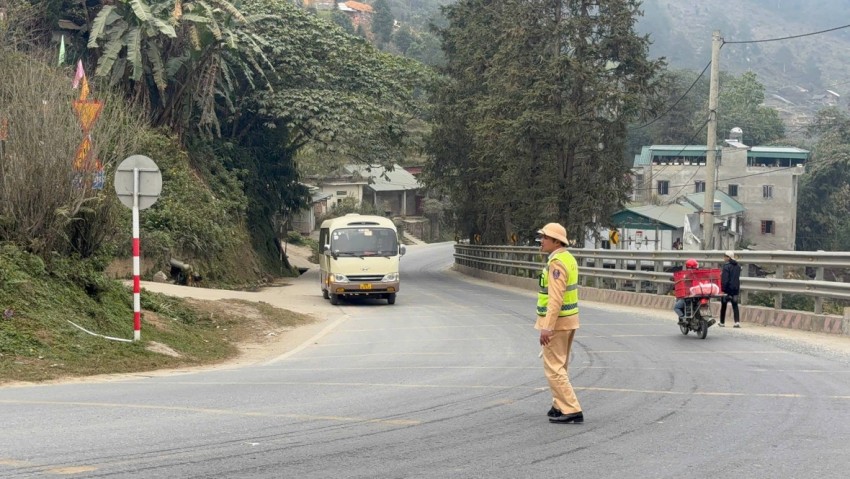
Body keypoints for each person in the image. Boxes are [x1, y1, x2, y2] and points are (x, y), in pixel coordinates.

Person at [535, 222, 583, 424]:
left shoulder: (556, 263)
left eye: (545, 237)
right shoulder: (568, 258)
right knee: (560, 365)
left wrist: (547, 326)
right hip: (569, 320)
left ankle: (571, 409)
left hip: (558, 323)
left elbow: (555, 298)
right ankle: (558, 405)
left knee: (553, 367)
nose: (542, 241)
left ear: (556, 241)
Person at [673, 258, 700, 324]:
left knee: (676, 307)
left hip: (688, 296)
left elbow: (680, 283)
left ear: (687, 266)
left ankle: (683, 318)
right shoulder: (700, 274)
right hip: (700, 295)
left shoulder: (685, 275)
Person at [720, 250, 742, 327]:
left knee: (723, 305)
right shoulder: (738, 266)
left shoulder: (726, 266)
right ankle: (737, 322)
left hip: (727, 289)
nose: (724, 258)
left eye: (725, 256)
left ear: (728, 258)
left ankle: (722, 322)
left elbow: (724, 280)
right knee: (735, 305)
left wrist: (723, 289)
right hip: (735, 289)